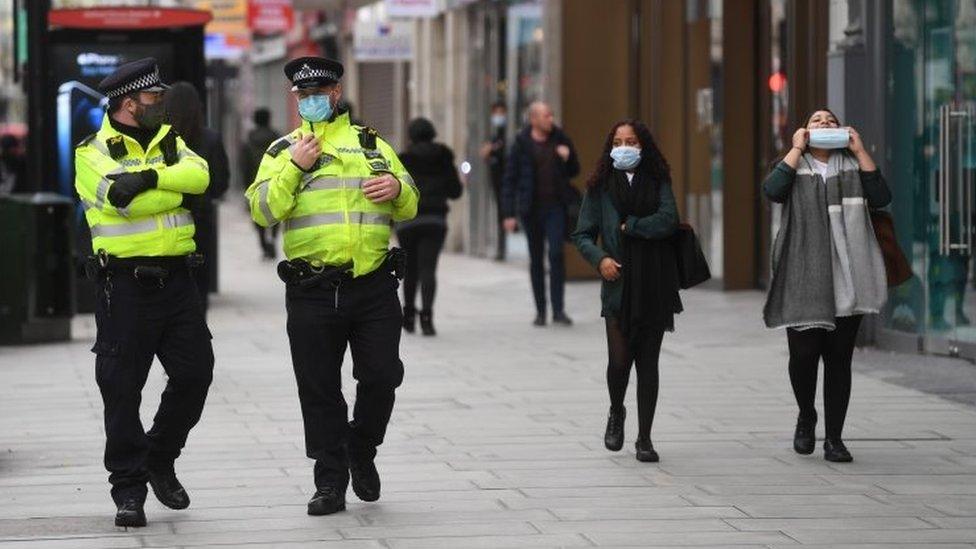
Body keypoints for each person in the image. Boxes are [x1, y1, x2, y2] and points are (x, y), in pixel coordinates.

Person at [245, 56, 418, 516]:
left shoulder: (372, 144)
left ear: (336, 94)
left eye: (319, 94)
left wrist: (398, 192)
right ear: (295, 100)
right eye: (303, 96)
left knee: (382, 376)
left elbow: (410, 200)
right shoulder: (283, 150)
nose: (311, 101)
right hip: (313, 290)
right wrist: (294, 170)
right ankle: (329, 480)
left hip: (373, 284)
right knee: (319, 388)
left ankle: (361, 446)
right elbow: (261, 210)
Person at [73, 58, 213, 527]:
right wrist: (169, 191)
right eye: (154, 98)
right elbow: (117, 200)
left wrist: (150, 179)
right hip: (124, 287)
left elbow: (201, 179)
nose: (161, 104)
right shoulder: (91, 151)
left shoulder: (172, 143)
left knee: (196, 375)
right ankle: (128, 490)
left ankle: (159, 456)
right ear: (128, 102)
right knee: (122, 389)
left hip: (178, 282)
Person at [763, 108, 890, 463]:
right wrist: (795, 149)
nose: (824, 125)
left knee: (838, 361)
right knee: (803, 357)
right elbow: (772, 190)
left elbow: (881, 197)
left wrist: (861, 150)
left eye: (830, 121)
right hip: (803, 271)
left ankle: (834, 438)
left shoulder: (853, 163)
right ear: (805, 130)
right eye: (816, 121)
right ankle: (807, 415)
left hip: (850, 273)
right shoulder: (792, 163)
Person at [572, 119, 680, 463]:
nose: (624, 147)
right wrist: (600, 259)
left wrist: (631, 226)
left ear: (642, 146)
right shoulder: (600, 186)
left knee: (648, 364)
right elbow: (583, 234)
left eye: (631, 142)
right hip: (617, 283)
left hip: (653, 282)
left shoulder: (658, 180)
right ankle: (616, 410)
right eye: (618, 141)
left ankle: (645, 438)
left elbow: (668, 219)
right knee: (619, 362)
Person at [502, 101, 580, 326]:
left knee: (556, 254)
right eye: (546, 115)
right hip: (531, 209)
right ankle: (540, 311)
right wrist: (508, 213)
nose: (550, 119)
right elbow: (510, 179)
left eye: (551, 115)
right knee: (536, 258)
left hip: (556, 207)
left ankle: (559, 310)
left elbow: (575, 170)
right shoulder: (521, 144)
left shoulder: (561, 139)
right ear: (534, 119)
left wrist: (568, 157)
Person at [163, 82, 230, 311]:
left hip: (166, 221)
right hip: (201, 221)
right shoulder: (211, 139)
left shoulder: (161, 142)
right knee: (198, 285)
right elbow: (222, 182)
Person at [396, 118, 463, 336]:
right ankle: (427, 317)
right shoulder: (444, 157)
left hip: (408, 221)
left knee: (410, 270)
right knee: (428, 269)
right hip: (435, 219)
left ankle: (408, 316)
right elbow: (455, 191)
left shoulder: (403, 159)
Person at [241, 108, 282, 260]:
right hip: (275, 182)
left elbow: (244, 166)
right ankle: (272, 239)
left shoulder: (249, 140)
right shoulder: (277, 139)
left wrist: (246, 187)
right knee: (276, 213)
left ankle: (264, 243)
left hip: (255, 183)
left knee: (258, 215)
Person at [480, 101, 508, 261]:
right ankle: (500, 247)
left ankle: (502, 248)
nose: (498, 116)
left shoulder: (506, 134)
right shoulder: (495, 134)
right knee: (500, 213)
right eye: (496, 112)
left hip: (506, 180)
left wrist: (491, 150)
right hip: (496, 180)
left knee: (505, 212)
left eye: (501, 112)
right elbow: (488, 154)